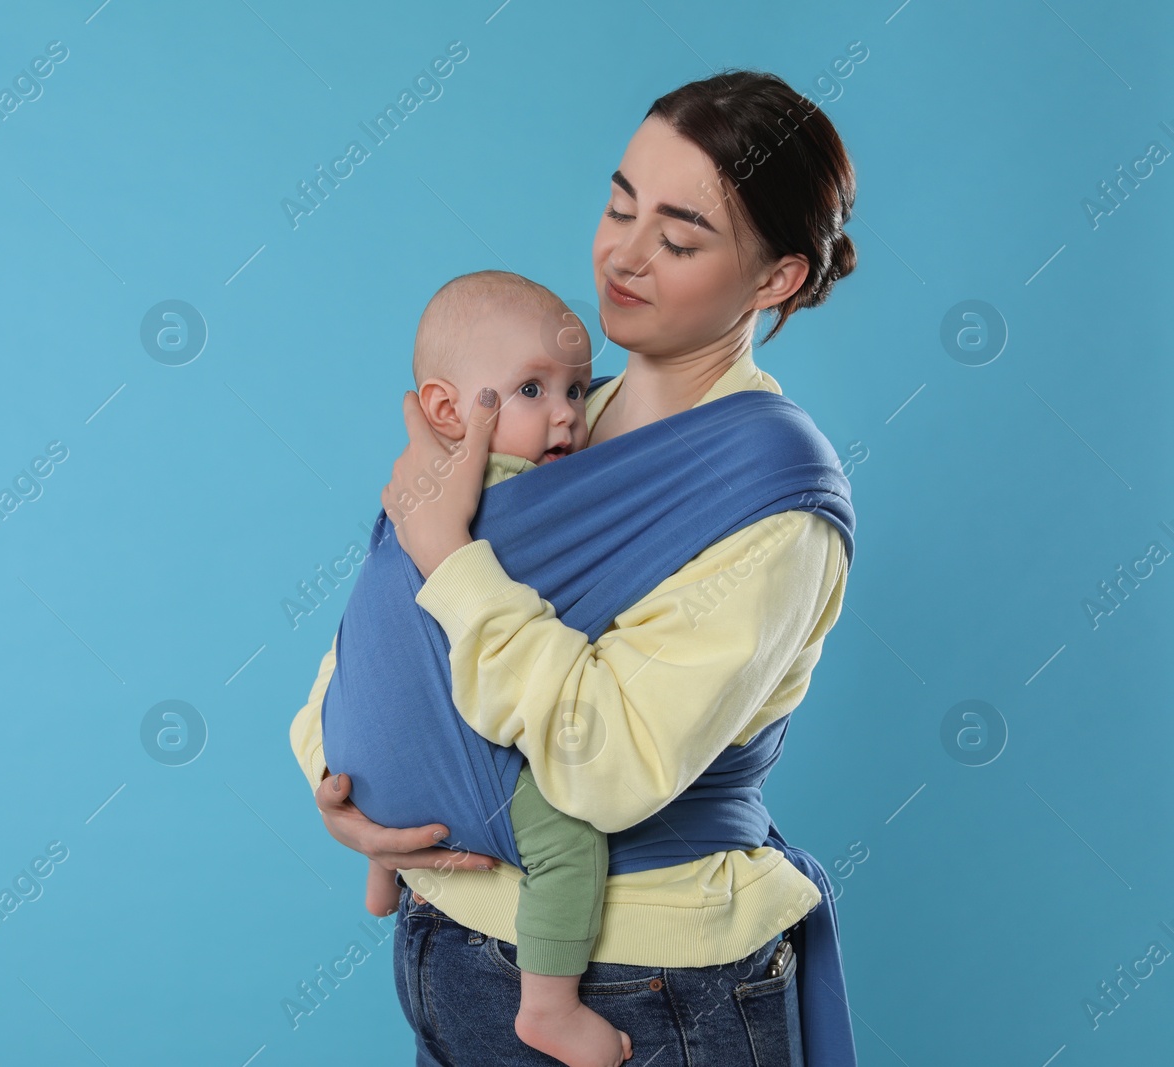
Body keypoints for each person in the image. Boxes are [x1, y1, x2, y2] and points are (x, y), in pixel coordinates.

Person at [291, 69, 860, 1066]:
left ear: (775, 280)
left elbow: (604, 769)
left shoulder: (772, 495)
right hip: (443, 943)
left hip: (648, 983)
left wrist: (453, 558)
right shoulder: (532, 422)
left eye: (678, 239)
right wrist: (342, 788)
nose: (623, 257)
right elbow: (384, 631)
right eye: (618, 206)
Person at [344, 267, 632, 1067]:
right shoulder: (524, 497)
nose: (568, 417)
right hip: (447, 750)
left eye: (576, 391)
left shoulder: (415, 486)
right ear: (448, 408)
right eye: (532, 390)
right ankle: (548, 1004)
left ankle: (383, 870)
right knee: (570, 836)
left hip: (360, 750)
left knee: (405, 686)